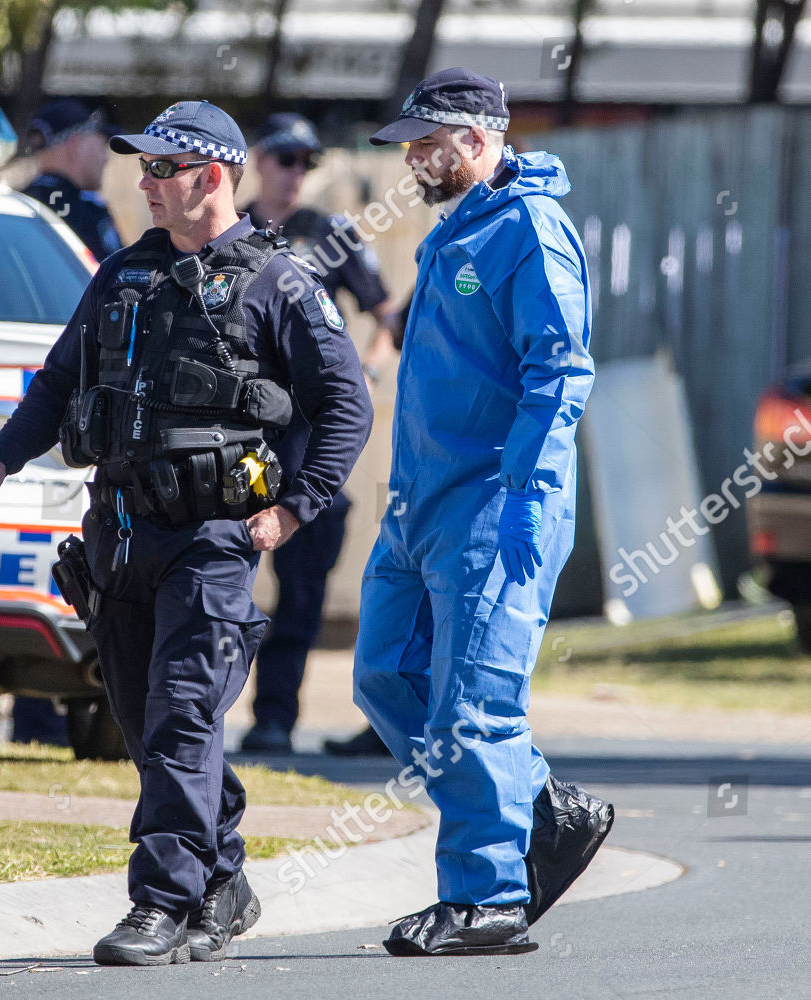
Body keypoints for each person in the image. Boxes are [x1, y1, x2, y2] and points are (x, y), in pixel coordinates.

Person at [0, 100, 372, 965]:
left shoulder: (280, 282)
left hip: (214, 541)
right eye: (142, 168)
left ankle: (158, 902)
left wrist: (296, 506)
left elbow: (348, 404)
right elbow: (56, 384)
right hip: (118, 536)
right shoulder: (123, 275)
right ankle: (223, 878)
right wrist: (0, 465)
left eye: (163, 169)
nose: (145, 182)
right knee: (145, 721)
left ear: (211, 175)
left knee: (182, 716)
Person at [354, 68, 614, 957]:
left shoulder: (530, 231)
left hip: (495, 507)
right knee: (384, 675)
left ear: (478, 139)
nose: (416, 158)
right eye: (410, 145)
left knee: (473, 708)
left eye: (429, 142)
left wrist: (528, 500)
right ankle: (537, 806)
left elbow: (560, 375)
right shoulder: (457, 228)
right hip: (417, 508)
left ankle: (488, 896)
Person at [238, 111, 403, 757]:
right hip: (240, 433)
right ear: (258, 160)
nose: (296, 174)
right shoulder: (234, 228)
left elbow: (387, 314)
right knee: (220, 573)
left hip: (305, 438)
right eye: (286, 160)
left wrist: (363, 372)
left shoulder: (328, 235)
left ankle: (275, 717)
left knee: (303, 584)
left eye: (307, 163)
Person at [12, 100, 128, 748]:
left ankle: (32, 720)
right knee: (76, 561)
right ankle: (58, 716)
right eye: (98, 139)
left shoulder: (15, 210)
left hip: (25, 400)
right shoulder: (83, 217)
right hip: (78, 403)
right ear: (67, 141)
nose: (106, 154)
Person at [22, 99, 124, 264]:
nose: (106, 157)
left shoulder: (17, 204)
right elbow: (114, 278)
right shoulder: (88, 212)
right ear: (76, 145)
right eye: (102, 144)